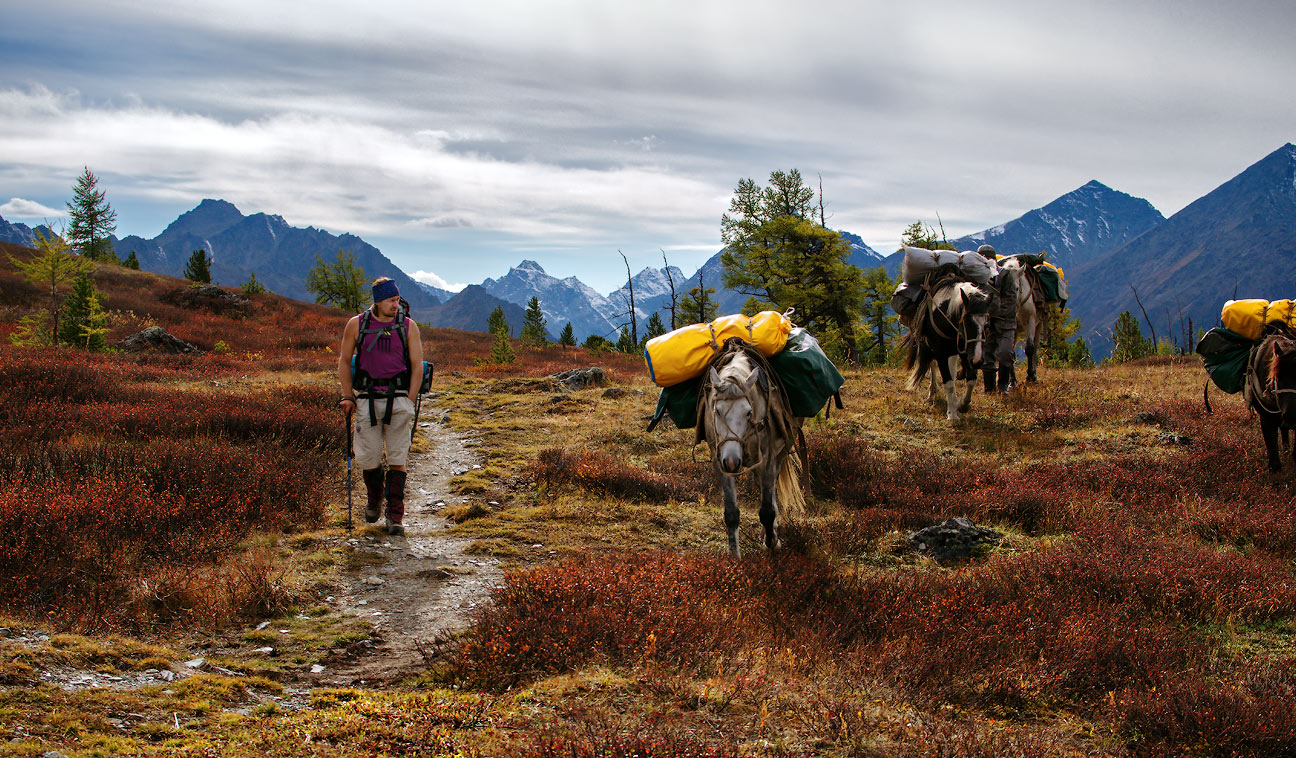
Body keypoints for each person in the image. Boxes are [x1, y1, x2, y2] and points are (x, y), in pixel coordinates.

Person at [338, 277, 424, 536]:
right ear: (377, 300)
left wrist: (409, 398)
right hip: (366, 399)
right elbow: (344, 361)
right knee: (368, 457)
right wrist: (347, 395)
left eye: (397, 300)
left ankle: (395, 515)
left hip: (398, 399)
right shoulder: (356, 325)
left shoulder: (408, 327)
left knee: (398, 457)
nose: (395, 305)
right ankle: (375, 499)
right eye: (391, 301)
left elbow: (417, 364)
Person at [977, 245, 1018, 393]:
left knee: (1005, 353)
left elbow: (1011, 299)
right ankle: (989, 389)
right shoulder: (978, 277)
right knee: (987, 357)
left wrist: (995, 312)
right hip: (986, 325)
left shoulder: (1005, 275)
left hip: (1005, 323)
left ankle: (1003, 386)